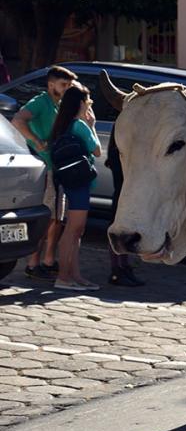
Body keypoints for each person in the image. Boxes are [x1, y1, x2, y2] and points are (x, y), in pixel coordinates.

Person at [10, 65, 78, 279]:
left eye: (69, 85)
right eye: (63, 84)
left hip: (57, 167)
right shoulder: (41, 101)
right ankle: (32, 264)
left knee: (57, 218)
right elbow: (18, 120)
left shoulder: (60, 105)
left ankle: (48, 261)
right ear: (51, 85)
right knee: (46, 217)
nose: (67, 88)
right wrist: (36, 141)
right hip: (45, 168)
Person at [48, 83, 102, 291]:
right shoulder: (80, 125)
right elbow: (97, 151)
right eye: (88, 102)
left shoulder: (64, 123)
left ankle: (75, 275)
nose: (89, 106)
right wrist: (92, 125)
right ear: (81, 103)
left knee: (76, 231)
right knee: (73, 230)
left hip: (70, 181)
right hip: (79, 183)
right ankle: (63, 277)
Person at [105, 126, 144, 287]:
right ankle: (117, 270)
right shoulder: (120, 151)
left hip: (125, 190)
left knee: (126, 228)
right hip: (122, 191)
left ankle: (124, 266)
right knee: (118, 228)